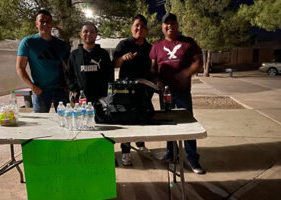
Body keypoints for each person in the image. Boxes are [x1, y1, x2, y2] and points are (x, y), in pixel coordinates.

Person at [149, 13, 205, 174]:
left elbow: (198, 63)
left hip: (182, 92)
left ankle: (193, 158)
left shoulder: (188, 42)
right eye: (166, 24)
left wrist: (185, 74)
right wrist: (156, 80)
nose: (170, 26)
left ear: (177, 26)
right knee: (168, 123)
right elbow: (152, 68)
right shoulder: (156, 46)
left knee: (188, 124)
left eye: (173, 23)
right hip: (164, 93)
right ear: (162, 27)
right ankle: (171, 154)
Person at [113, 14, 152, 166]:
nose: (139, 28)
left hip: (144, 91)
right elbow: (115, 63)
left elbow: (154, 68)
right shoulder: (123, 44)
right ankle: (126, 152)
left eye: (142, 26)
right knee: (127, 121)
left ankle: (141, 145)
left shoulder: (150, 47)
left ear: (146, 29)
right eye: (137, 25)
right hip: (125, 91)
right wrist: (123, 58)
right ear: (132, 27)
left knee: (143, 118)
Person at [16, 9, 70, 113]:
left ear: (52, 24)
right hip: (40, 90)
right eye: (42, 21)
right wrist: (33, 87)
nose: (45, 24)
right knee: (41, 122)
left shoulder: (61, 44)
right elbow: (20, 68)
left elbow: (68, 66)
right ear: (36, 24)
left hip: (60, 89)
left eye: (48, 21)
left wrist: (68, 84)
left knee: (65, 119)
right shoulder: (28, 42)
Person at [65, 21, 114, 104]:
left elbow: (110, 76)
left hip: (101, 100)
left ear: (96, 34)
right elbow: (68, 75)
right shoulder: (74, 55)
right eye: (85, 31)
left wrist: (108, 94)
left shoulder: (103, 54)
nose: (89, 34)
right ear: (80, 34)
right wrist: (74, 90)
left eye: (92, 32)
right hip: (81, 100)